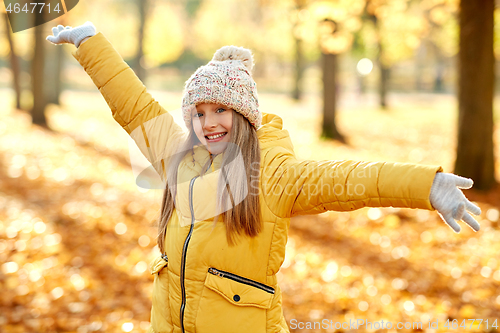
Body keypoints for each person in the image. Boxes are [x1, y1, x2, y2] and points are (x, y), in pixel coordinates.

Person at [46, 22, 482, 333]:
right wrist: (91, 44)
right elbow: (136, 106)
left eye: (220, 110)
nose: (208, 122)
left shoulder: (273, 175)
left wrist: (427, 185)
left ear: (245, 116)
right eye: (199, 113)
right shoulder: (180, 159)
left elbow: (352, 180)